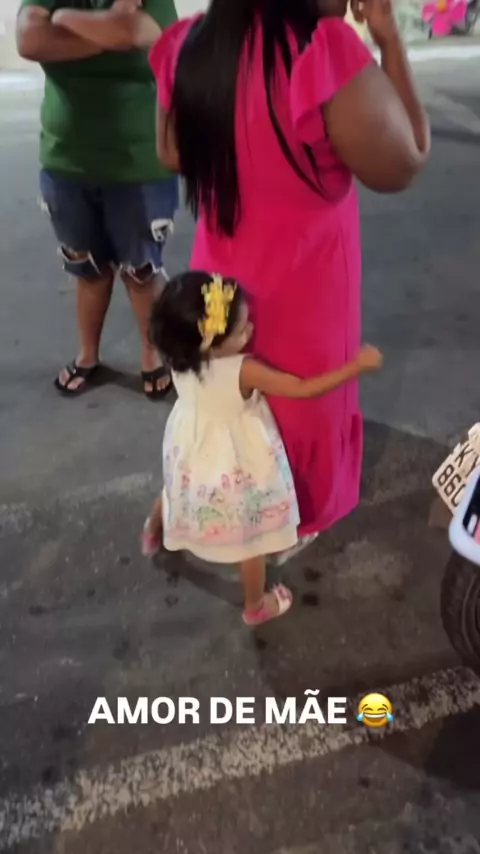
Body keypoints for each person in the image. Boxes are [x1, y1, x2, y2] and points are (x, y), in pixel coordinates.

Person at [148, 0, 430, 554]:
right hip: (305, 289)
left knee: (224, 401)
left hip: (217, 285)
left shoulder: (190, 46)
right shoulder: (319, 55)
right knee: (302, 407)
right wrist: (388, 37)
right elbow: (405, 159)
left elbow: (172, 152)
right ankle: (287, 521)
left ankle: (218, 508)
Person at [141, 271, 383, 625]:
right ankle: (255, 605)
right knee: (250, 539)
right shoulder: (243, 369)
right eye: (242, 330)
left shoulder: (179, 356)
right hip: (235, 457)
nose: (251, 330)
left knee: (177, 487)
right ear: (210, 343)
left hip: (191, 442)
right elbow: (302, 388)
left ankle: (153, 531)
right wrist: (355, 367)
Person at [16, 0, 179, 398]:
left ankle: (151, 354)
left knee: (142, 271)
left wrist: (63, 21)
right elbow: (29, 40)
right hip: (67, 161)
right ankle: (88, 353)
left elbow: (142, 33)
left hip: (138, 163)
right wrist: (109, 29)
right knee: (86, 269)